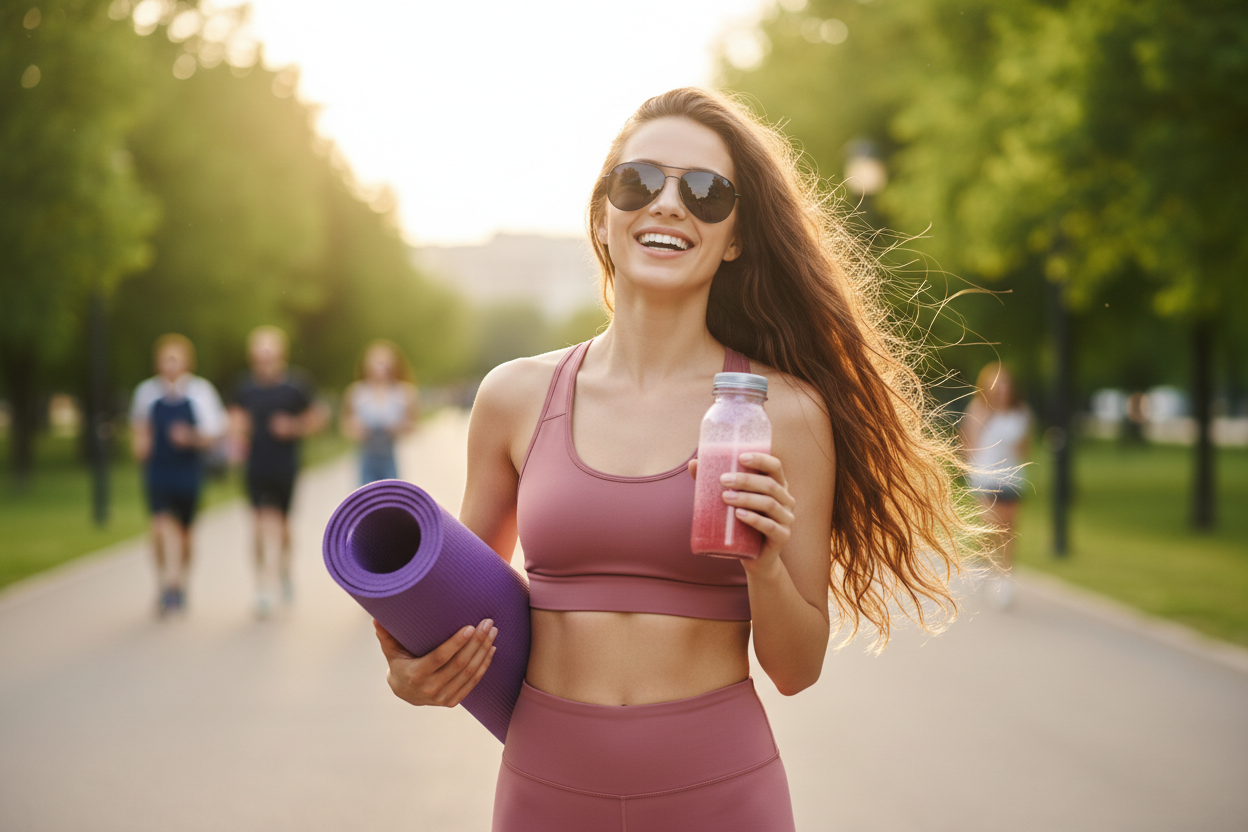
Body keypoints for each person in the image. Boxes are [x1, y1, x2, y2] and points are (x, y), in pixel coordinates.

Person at [373, 88, 979, 830]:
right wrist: (413, 670)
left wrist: (763, 559)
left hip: (720, 789)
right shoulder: (514, 397)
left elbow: (796, 669)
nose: (667, 204)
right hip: (545, 789)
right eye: (639, 182)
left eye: (705, 192)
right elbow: (461, 611)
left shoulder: (785, 412)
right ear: (603, 216)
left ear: (735, 238)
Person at [228, 326, 328, 618]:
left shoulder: (296, 385)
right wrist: (237, 433)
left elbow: (318, 418)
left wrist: (293, 427)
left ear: (280, 355)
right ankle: (261, 586)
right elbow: (233, 420)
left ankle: (283, 571)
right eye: (260, 354)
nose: (265, 359)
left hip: (285, 465)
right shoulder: (244, 387)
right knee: (257, 525)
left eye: (269, 353)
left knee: (283, 527)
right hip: (256, 466)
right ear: (253, 356)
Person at [129, 334, 227, 616]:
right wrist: (141, 443)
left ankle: (180, 583)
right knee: (159, 526)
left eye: (175, 358)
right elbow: (140, 426)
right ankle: (163, 584)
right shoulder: (146, 393)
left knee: (186, 534)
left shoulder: (200, 392)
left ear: (186, 362)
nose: (169, 365)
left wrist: (191, 438)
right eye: (165, 359)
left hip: (188, 470)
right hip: (159, 469)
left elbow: (216, 433)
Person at [961, 362, 1031, 609]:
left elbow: (1025, 448)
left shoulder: (1019, 413)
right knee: (992, 525)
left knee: (1009, 528)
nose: (1001, 388)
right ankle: (987, 564)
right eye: (997, 382)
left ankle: (1004, 576)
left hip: (1011, 477)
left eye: (1005, 382)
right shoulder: (978, 409)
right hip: (985, 477)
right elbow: (968, 443)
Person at [340, 340, 420, 484]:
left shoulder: (403, 393)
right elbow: (346, 426)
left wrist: (398, 427)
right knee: (366, 501)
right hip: (366, 456)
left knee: (392, 498)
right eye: (376, 363)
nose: (379, 368)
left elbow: (414, 426)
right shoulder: (356, 393)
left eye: (384, 363)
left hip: (389, 455)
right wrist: (355, 429)